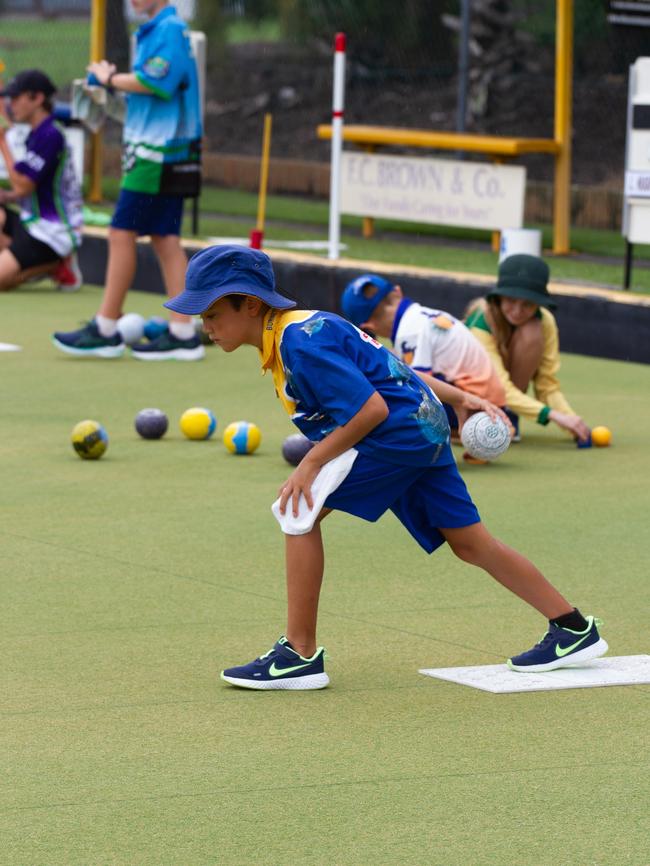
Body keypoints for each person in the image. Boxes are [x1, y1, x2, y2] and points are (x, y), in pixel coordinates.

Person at [164, 244, 607, 690]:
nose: (206, 326)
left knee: (298, 511)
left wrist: (311, 464)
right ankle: (572, 628)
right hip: (423, 426)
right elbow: (394, 369)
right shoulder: (305, 328)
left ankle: (298, 655)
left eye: (212, 313)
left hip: (396, 435)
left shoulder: (299, 342)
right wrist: (457, 397)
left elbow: (371, 410)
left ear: (252, 304)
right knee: (471, 542)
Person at [52, 0, 203, 360]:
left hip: (157, 154)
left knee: (122, 232)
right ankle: (182, 330)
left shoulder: (168, 30)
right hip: (163, 151)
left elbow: (157, 82)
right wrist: (109, 93)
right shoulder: (158, 30)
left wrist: (108, 79)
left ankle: (106, 328)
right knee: (166, 239)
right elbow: (153, 92)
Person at [340, 273, 507, 441]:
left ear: (368, 326)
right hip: (490, 403)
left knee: (391, 384)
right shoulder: (420, 315)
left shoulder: (409, 332)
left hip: (474, 408)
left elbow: (418, 386)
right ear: (397, 292)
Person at [465, 254, 591, 443]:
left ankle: (507, 413)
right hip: (463, 395)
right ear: (499, 297)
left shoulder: (544, 320)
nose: (517, 310)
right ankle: (475, 418)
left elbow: (546, 384)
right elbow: (500, 386)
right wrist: (553, 415)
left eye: (528, 304)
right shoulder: (480, 323)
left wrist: (571, 420)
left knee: (532, 331)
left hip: (501, 396)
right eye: (510, 300)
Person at [0, 69, 83, 292]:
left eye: (16, 98)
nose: (11, 104)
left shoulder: (50, 135)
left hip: (52, 233)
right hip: (32, 222)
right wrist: (6, 196)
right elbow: (27, 190)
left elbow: (24, 185)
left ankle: (53, 265)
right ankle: (34, 264)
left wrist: (2, 142)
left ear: (37, 99)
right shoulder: (35, 134)